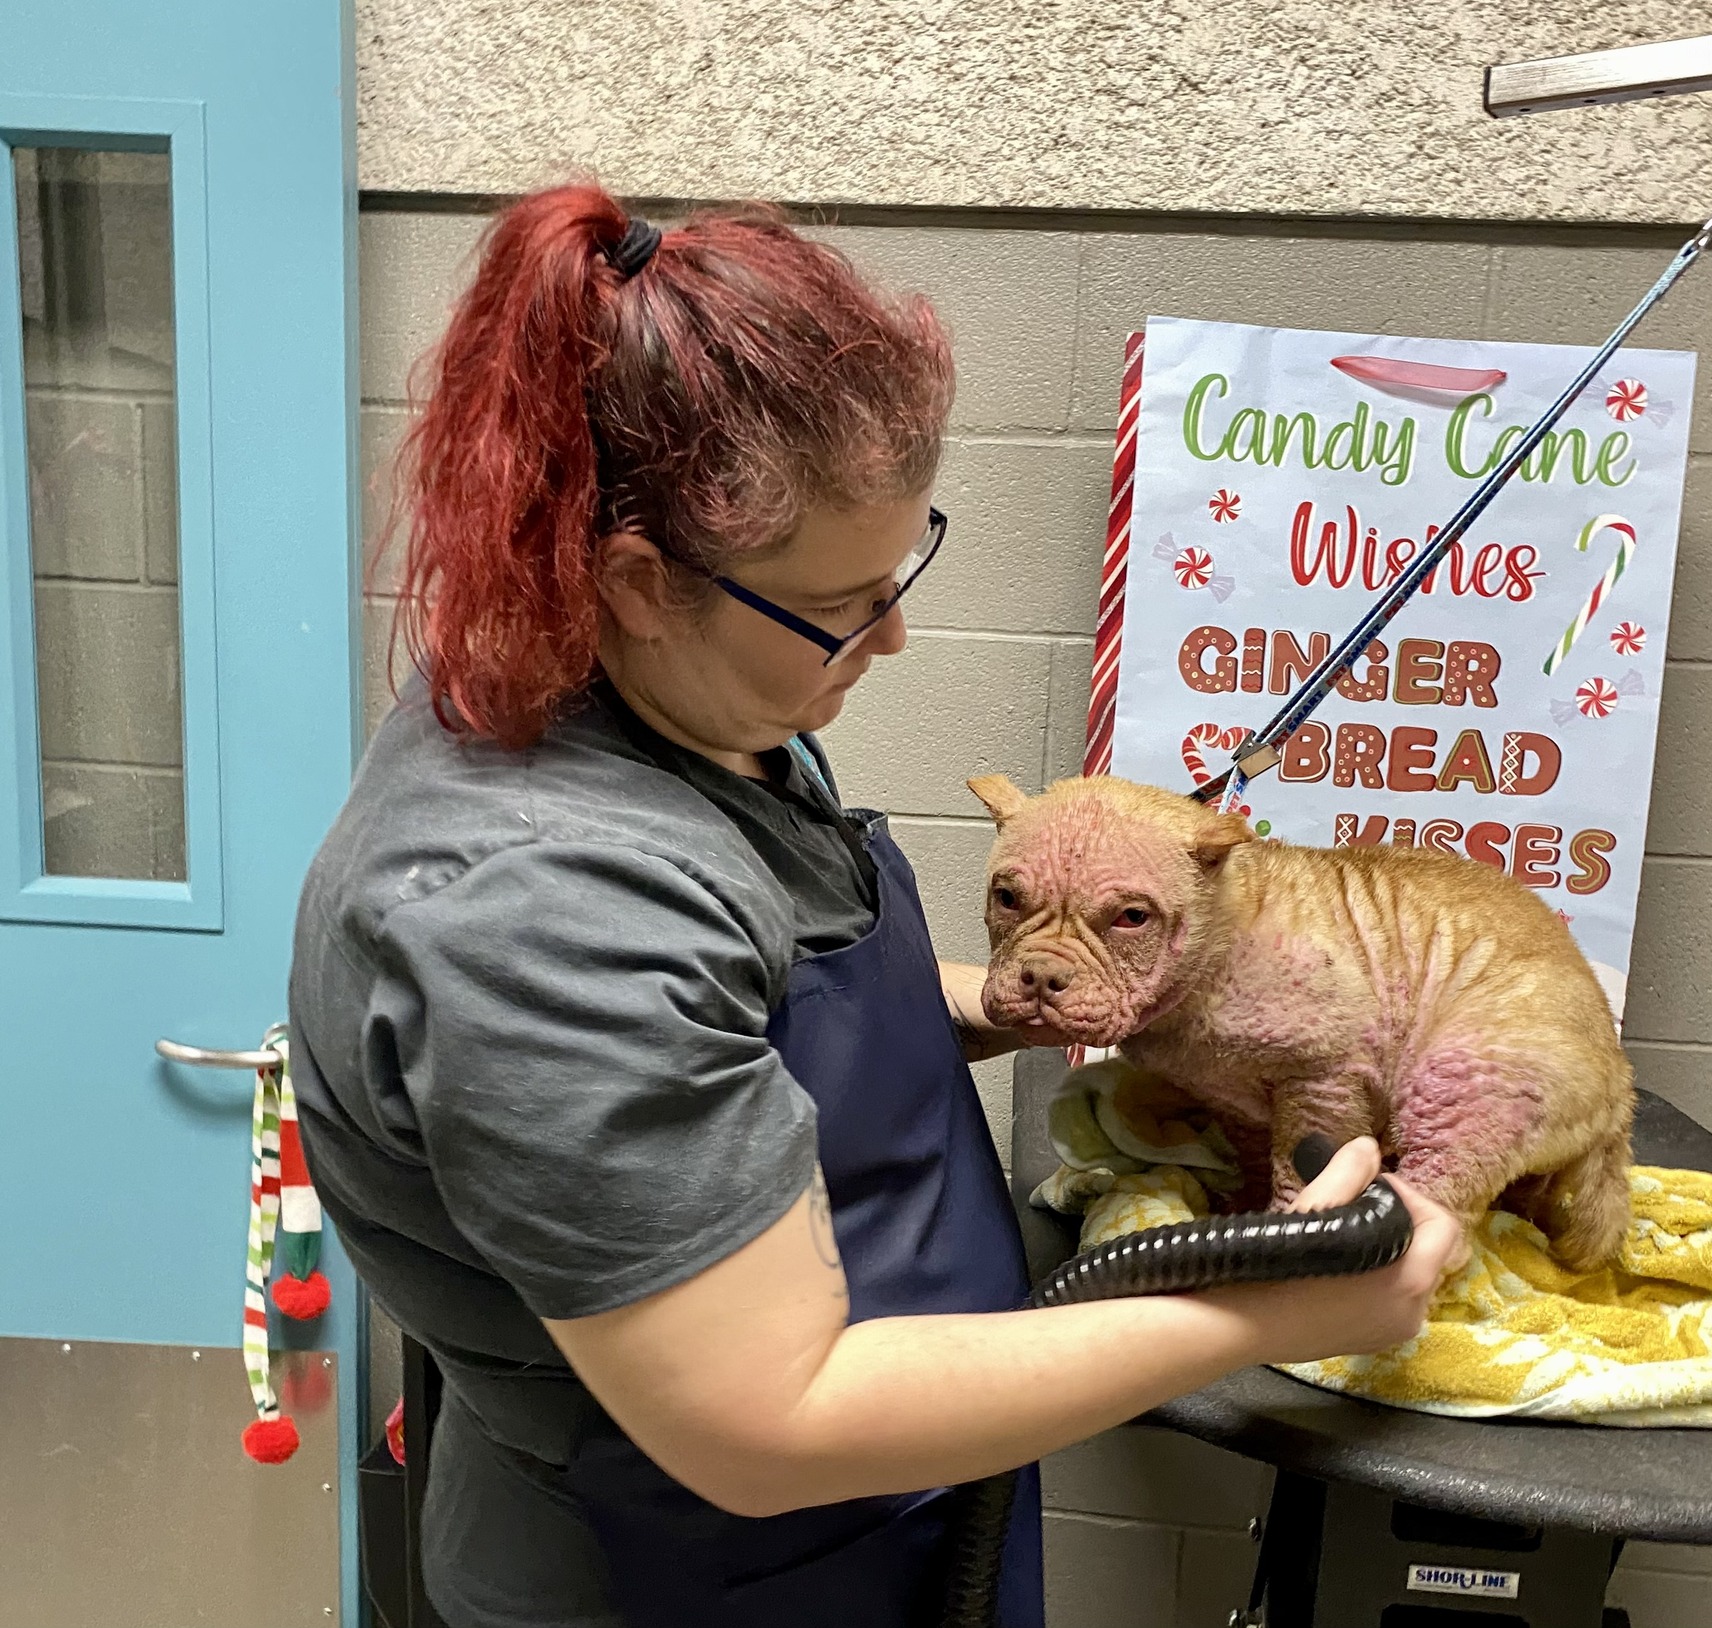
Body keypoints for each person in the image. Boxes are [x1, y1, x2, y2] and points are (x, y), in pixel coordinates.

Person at [288, 183, 1468, 1628]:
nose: (894, 634)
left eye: (902, 566)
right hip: (700, 1569)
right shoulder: (538, 912)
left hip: (905, 1498)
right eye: (847, 602)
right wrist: (1284, 1309)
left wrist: (1022, 1003)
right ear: (641, 579)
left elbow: (761, 1015)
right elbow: (766, 1418)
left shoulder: (679, 696)